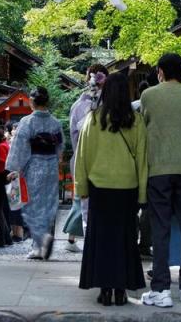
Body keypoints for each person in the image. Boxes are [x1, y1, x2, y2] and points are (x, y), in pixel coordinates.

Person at [75, 72, 148, 307]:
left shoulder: (93, 119)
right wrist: (142, 193)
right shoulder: (136, 121)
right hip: (127, 187)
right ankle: (121, 290)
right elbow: (143, 160)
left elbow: (82, 157)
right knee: (125, 239)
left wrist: (81, 187)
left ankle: (104, 289)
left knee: (101, 239)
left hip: (99, 188)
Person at [139, 53, 181, 308]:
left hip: (159, 169)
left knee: (160, 229)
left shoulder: (149, 96)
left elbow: (144, 123)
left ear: (160, 72)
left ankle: (161, 289)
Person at [6, 86, 64, 260]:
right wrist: (56, 159)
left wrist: (15, 169)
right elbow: (60, 148)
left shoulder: (27, 122)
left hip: (34, 166)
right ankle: (43, 241)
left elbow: (20, 148)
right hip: (51, 167)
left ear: (31, 101)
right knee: (48, 205)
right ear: (47, 102)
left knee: (33, 206)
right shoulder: (56, 123)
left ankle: (38, 245)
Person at [68, 64, 107, 235]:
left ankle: (90, 245)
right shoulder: (113, 107)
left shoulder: (77, 106)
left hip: (83, 161)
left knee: (87, 206)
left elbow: (74, 137)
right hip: (106, 163)